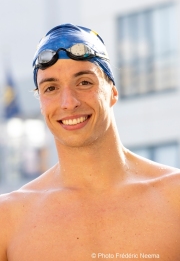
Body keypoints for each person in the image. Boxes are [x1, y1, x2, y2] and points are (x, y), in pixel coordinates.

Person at [0, 23, 180, 261]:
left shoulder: (174, 197)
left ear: (113, 92)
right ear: (41, 103)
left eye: (84, 82)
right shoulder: (8, 218)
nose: (68, 102)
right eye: (51, 88)